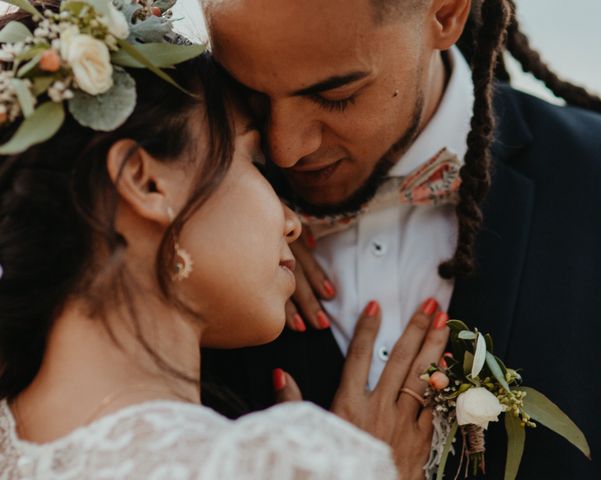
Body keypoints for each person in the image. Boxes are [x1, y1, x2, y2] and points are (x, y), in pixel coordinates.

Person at [0, 2, 449, 479]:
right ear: (146, 182)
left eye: (336, 95)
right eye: (252, 160)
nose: (292, 220)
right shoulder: (279, 465)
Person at [201, 0, 601, 478]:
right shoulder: (183, 219)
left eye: (336, 96)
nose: (285, 150)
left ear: (446, 14)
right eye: (249, 94)